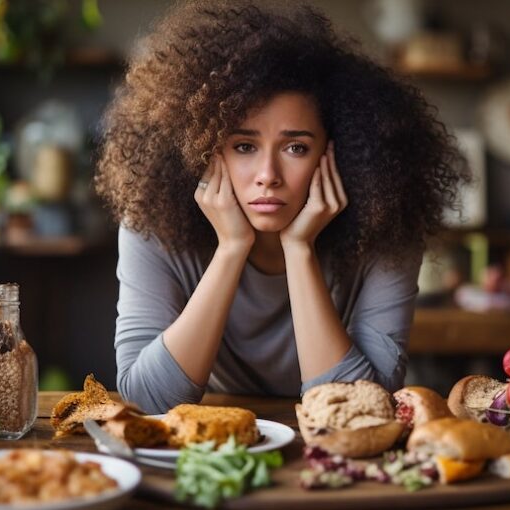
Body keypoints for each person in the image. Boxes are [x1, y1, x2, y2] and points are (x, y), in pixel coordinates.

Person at [95, 0, 468, 413]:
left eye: (295, 147)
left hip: (338, 454)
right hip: (219, 443)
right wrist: (231, 249)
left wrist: (299, 249)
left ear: (339, 152)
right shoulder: (152, 224)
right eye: (244, 146)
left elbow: (359, 409)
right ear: (204, 149)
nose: (267, 174)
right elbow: (147, 399)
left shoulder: (387, 230)